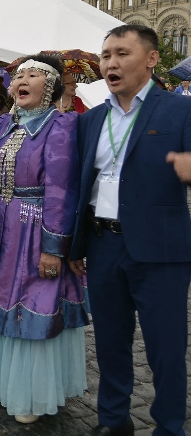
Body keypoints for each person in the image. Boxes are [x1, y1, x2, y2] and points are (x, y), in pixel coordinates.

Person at [70, 25, 191, 436]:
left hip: (161, 251)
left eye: (122, 53)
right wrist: (74, 246)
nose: (111, 63)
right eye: (105, 55)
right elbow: (80, 184)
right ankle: (113, 420)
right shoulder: (92, 121)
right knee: (110, 342)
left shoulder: (179, 111)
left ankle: (170, 426)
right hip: (103, 245)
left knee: (166, 348)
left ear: (152, 59)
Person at [0, 54, 88, 424]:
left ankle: (33, 394)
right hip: (3, 228)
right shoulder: (4, 126)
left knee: (34, 302)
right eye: (18, 75)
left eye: (32, 75)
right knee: (5, 302)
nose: (21, 80)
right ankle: (7, 386)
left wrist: (53, 248)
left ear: (52, 86)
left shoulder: (61, 126)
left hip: (36, 228)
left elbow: (61, 189)